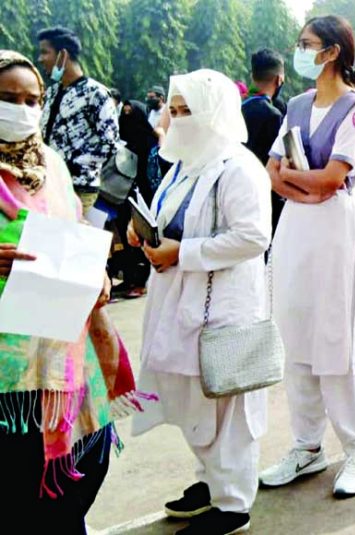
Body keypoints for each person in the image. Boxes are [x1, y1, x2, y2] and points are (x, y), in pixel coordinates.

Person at [0, 49, 142, 533]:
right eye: (6, 98)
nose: (21, 108)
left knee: (76, 472)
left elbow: (75, 230)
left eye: (31, 99)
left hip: (62, 352)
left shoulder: (52, 165)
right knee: (16, 483)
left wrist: (98, 274)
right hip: (8, 374)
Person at [128, 69, 271, 534]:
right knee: (194, 400)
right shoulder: (185, 165)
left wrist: (182, 253)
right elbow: (172, 220)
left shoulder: (239, 167)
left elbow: (252, 237)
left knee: (226, 406)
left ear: (216, 112)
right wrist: (143, 232)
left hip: (226, 309)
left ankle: (233, 504)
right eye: (174, 110)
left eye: (189, 110)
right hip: (184, 300)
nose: (179, 119)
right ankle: (209, 482)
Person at [259, 15, 355, 497]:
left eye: (307, 44)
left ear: (331, 52)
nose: (300, 51)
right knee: (295, 333)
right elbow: (271, 168)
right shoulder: (295, 105)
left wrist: (303, 187)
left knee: (336, 336)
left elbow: (335, 178)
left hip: (334, 231)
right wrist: (302, 190)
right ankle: (307, 445)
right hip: (296, 229)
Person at [36, 26, 119, 215]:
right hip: (48, 182)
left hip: (78, 188)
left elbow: (109, 143)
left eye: (44, 52)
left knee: (68, 241)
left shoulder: (95, 93)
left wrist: (72, 165)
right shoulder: (52, 92)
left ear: (62, 55)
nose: (40, 59)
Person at [109, 99, 158, 299]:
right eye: (124, 114)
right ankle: (128, 279)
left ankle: (141, 282)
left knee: (140, 239)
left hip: (142, 197)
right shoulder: (121, 141)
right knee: (126, 240)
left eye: (131, 114)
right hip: (121, 196)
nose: (126, 118)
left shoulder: (150, 143)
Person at [242, 48, 287, 236]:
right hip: (264, 198)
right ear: (279, 80)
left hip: (238, 194)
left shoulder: (237, 109)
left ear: (252, 76)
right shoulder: (273, 116)